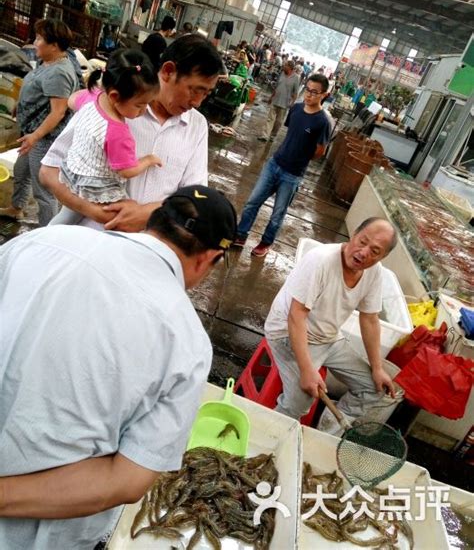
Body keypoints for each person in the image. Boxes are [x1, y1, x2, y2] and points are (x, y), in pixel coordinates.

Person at [0, 184, 237, 550]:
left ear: (154, 222)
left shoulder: (42, 242)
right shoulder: (187, 343)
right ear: (208, 259)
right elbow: (127, 480)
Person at [40, 34, 224, 232]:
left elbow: (194, 197)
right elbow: (49, 171)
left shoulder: (197, 126)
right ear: (168, 71)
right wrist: (96, 212)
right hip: (85, 236)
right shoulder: (112, 104)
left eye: (206, 93)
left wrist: (147, 214)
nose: (197, 102)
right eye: (195, 90)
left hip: (144, 249)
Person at [264, 218, 398, 435]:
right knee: (300, 402)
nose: (363, 253)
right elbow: (296, 316)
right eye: (362, 241)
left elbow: (370, 319)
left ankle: (325, 435)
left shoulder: (374, 272)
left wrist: (377, 368)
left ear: (383, 256)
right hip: (288, 332)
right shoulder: (321, 260)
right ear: (354, 234)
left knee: (373, 389)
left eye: (375, 251)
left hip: (329, 338)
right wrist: (308, 370)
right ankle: (268, 438)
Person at [49, 49, 162, 225]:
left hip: (74, 173)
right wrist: (148, 160)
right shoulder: (118, 132)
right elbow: (126, 170)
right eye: (140, 105)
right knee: (129, 211)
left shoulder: (93, 96)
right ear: (115, 96)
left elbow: (72, 100)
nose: (144, 110)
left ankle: (50, 232)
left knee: (67, 215)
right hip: (98, 187)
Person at [233, 74, 331, 257]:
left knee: (277, 214)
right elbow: (290, 133)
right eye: (307, 90)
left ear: (324, 95)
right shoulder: (296, 109)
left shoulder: (323, 122)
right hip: (274, 164)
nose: (309, 95)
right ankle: (240, 235)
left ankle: (265, 243)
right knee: (252, 202)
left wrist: (300, 157)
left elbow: (320, 151)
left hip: (293, 174)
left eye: (314, 92)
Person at [0, 18, 79, 225]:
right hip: (31, 133)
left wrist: (35, 137)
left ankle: (47, 232)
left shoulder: (60, 73)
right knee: (21, 172)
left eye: (39, 38)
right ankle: (16, 208)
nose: (35, 43)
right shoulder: (47, 62)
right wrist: (21, 104)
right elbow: (36, 90)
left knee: (43, 189)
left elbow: (58, 112)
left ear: (54, 45)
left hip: (44, 139)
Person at [258, 60, 299, 142]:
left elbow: (295, 93)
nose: (283, 66)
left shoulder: (296, 78)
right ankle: (265, 136)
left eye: (285, 65)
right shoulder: (282, 74)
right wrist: (271, 97)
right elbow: (277, 87)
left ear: (290, 67)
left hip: (285, 103)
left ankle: (273, 136)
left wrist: (292, 103)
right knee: (270, 119)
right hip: (275, 100)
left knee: (278, 122)